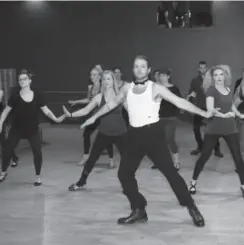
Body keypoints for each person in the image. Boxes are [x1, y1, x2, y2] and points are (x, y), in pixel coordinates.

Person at [82, 55, 214, 227]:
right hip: (134, 136)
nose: (139, 69)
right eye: (136, 66)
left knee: (171, 174)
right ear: (133, 69)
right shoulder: (127, 88)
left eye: (142, 66)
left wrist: (203, 113)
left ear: (149, 69)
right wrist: (93, 118)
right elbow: (110, 104)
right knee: (124, 174)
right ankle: (139, 209)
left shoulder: (155, 88)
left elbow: (179, 102)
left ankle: (191, 207)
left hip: (154, 136)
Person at [188, 65, 244, 199]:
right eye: (215, 75)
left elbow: (231, 106)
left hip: (230, 128)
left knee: (238, 157)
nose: (218, 77)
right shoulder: (211, 90)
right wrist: (223, 115)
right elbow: (210, 109)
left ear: (225, 76)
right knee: (204, 156)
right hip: (214, 128)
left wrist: (240, 115)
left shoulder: (228, 89)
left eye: (221, 74)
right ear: (212, 77)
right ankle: (193, 182)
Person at [0, 70, 66, 186]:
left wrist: (56, 119)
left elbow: (46, 110)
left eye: (24, 79)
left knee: (37, 152)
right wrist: (0, 124)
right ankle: (3, 173)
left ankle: (37, 177)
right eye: (20, 79)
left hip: (32, 130)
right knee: (7, 150)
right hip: (16, 129)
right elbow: (6, 111)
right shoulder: (15, 97)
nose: (22, 81)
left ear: (29, 81)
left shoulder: (37, 95)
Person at [65, 70, 127, 190]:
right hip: (104, 132)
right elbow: (85, 110)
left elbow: (131, 110)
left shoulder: (120, 95)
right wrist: (71, 115)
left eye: (109, 79)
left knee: (127, 160)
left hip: (121, 133)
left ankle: (127, 185)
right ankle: (81, 182)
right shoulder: (99, 97)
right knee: (92, 158)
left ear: (113, 80)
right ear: (101, 81)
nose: (106, 81)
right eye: (104, 79)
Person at [68, 67, 114, 166]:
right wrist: (76, 102)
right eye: (91, 74)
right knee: (86, 134)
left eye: (94, 74)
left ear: (99, 76)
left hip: (103, 115)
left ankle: (111, 160)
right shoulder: (90, 87)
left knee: (107, 136)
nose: (92, 76)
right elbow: (89, 100)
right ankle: (86, 157)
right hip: (94, 116)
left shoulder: (105, 86)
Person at [187, 61, 222, 157]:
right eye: (200, 68)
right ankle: (200, 147)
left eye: (204, 68)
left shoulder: (213, 80)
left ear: (207, 68)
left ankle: (217, 149)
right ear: (198, 69)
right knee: (196, 128)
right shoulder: (195, 80)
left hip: (211, 107)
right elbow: (191, 93)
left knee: (213, 129)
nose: (202, 69)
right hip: (199, 107)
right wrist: (190, 99)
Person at [151, 68, 182, 170]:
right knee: (158, 141)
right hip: (158, 118)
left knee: (169, 139)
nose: (162, 77)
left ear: (168, 76)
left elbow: (179, 101)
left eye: (164, 75)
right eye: (160, 75)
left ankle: (176, 162)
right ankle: (159, 161)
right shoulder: (157, 88)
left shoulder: (174, 88)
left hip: (171, 117)